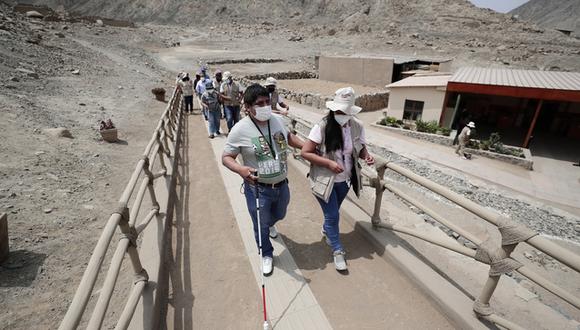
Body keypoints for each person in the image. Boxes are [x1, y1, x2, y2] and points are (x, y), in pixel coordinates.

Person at [222, 83, 304, 276]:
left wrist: (308, 146)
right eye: (260, 103)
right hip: (258, 188)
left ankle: (269, 224)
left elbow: (290, 138)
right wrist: (241, 169)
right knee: (260, 222)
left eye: (268, 101)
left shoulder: (277, 120)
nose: (266, 106)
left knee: (280, 214)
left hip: (282, 184)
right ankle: (266, 253)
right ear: (248, 107)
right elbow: (226, 157)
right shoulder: (239, 129)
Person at [301, 87, 374, 272]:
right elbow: (305, 152)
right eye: (339, 110)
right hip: (324, 180)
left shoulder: (357, 126)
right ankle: (337, 250)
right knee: (333, 215)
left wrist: (367, 156)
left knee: (333, 212)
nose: (342, 114)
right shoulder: (323, 126)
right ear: (333, 108)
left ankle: (327, 231)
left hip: (345, 180)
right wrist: (328, 163)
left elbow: (361, 147)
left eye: (345, 110)